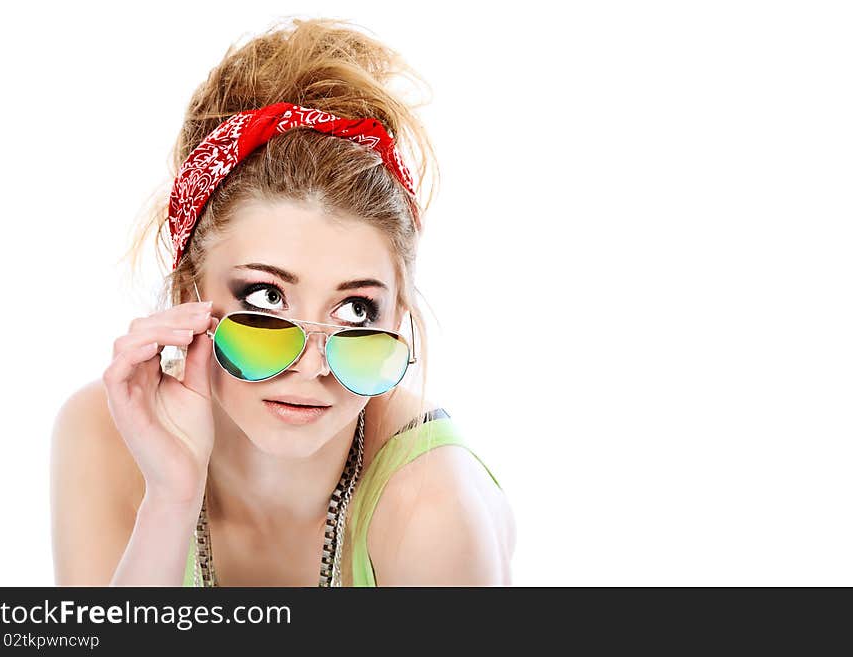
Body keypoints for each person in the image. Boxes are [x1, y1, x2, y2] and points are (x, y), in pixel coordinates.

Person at [50, 17, 515, 586]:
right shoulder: (103, 434)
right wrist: (170, 499)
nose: (313, 365)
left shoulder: (433, 508)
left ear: (399, 321)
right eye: (267, 299)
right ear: (187, 295)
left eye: (356, 312)